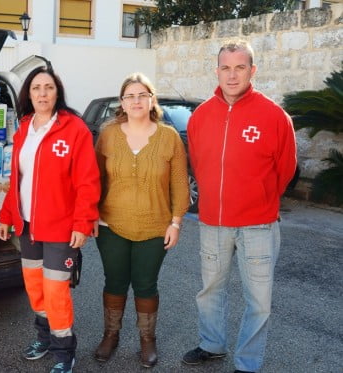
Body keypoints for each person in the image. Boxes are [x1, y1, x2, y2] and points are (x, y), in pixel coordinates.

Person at [182, 39, 297, 373]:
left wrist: (259, 199)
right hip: (213, 223)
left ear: (252, 70)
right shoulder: (200, 116)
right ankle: (212, 345)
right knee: (210, 291)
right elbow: (198, 164)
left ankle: (247, 363)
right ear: (217, 71)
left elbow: (285, 169)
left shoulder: (275, 117)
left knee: (258, 301)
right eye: (225, 68)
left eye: (240, 67)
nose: (232, 75)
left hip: (258, 224)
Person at [0, 65, 100, 373]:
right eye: (36, 88)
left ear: (58, 92)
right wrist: (6, 215)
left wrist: (82, 223)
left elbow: (88, 181)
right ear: (28, 94)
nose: (42, 93)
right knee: (35, 287)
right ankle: (44, 337)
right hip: (27, 225)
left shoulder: (74, 128)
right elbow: (16, 179)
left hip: (61, 228)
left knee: (56, 291)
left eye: (48, 87)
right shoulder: (24, 127)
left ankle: (64, 352)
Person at [93, 73, 190, 368]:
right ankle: (111, 335)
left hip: (154, 227)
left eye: (141, 95)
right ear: (122, 102)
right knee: (115, 281)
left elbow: (179, 184)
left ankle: (147, 340)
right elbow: (94, 179)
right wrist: (91, 214)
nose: (136, 101)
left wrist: (175, 222)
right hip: (111, 225)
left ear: (151, 99)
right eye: (129, 96)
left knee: (146, 284)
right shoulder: (108, 133)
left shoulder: (169, 137)